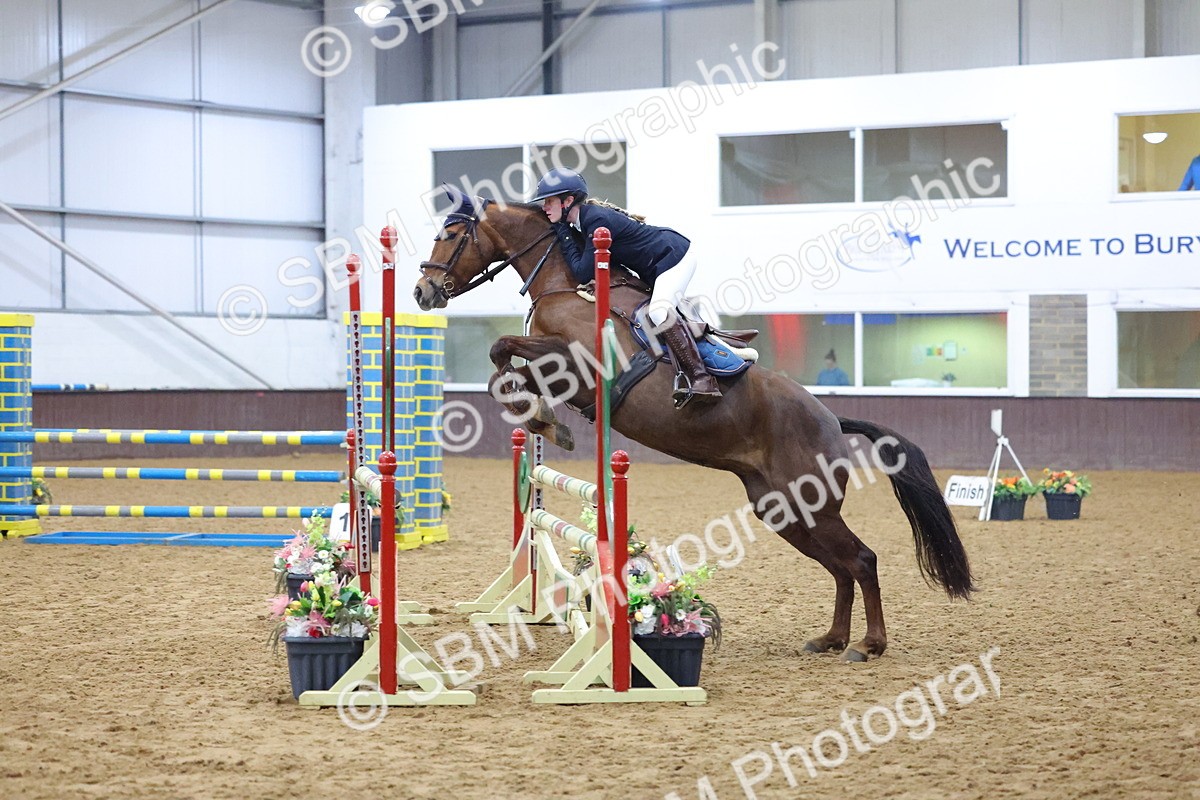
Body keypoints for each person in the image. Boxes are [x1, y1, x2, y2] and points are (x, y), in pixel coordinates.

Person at [532, 168, 720, 406]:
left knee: (659, 312)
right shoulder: (583, 222)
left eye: (549, 201)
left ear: (568, 201)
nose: (544, 207)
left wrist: (561, 230)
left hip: (674, 255)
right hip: (656, 265)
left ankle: (702, 379)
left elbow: (582, 272)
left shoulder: (594, 219)